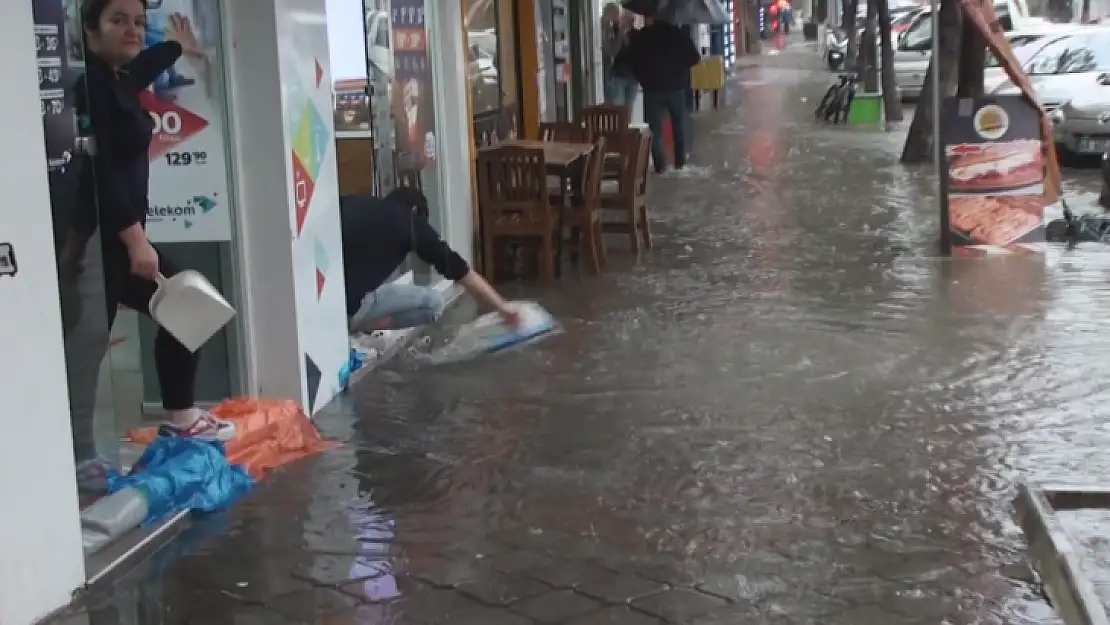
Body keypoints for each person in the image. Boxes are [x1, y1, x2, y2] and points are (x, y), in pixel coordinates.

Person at [64, 0, 236, 492]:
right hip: (104, 241)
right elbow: (102, 173)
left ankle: (180, 416)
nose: (133, 30)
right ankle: (79, 458)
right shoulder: (91, 88)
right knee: (87, 347)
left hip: (116, 239)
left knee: (188, 311)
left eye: (139, 21)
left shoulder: (114, 81)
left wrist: (177, 46)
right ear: (90, 28)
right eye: (119, 21)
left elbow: (141, 68)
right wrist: (135, 238)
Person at [340, 187, 519, 335]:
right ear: (416, 212)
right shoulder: (412, 225)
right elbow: (464, 273)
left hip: (318, 303)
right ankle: (356, 329)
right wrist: (503, 307)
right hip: (344, 313)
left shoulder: (355, 202)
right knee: (433, 303)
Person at [623, 16, 700, 173]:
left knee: (654, 131)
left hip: (652, 89)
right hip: (676, 88)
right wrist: (680, 69)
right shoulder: (679, 35)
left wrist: (642, 77)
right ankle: (680, 165)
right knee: (679, 127)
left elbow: (630, 59)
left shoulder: (643, 36)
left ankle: (660, 167)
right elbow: (695, 58)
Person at [601, 3, 638, 108]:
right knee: (618, 109)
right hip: (618, 76)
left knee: (628, 109)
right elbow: (613, 51)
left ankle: (626, 124)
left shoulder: (636, 34)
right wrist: (620, 35)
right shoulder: (612, 31)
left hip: (633, 76)